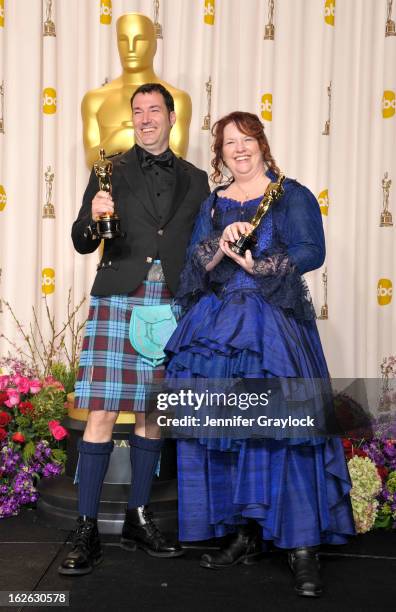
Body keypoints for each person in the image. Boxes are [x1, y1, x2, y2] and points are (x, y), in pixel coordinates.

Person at [165, 112, 355, 597]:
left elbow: (312, 250)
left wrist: (261, 262)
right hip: (219, 329)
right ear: (221, 152)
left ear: (261, 143)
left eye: (246, 139)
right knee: (227, 431)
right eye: (229, 143)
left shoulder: (292, 195)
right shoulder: (213, 204)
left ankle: (303, 548)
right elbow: (193, 263)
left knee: (287, 433)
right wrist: (219, 245)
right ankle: (245, 534)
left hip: (273, 327)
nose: (239, 149)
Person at [58, 83, 209, 576]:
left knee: (152, 413)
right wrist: (93, 218)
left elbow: (200, 245)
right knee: (101, 409)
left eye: (154, 110)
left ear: (171, 117)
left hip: (172, 303)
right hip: (119, 294)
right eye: (138, 111)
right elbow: (83, 239)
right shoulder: (110, 170)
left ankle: (139, 519)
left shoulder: (197, 178)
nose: (146, 118)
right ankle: (85, 528)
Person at [82, 13, 191, 167]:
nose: (131, 48)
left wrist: (129, 140)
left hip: (159, 189)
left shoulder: (178, 99)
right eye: (123, 40)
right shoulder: (95, 100)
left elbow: (178, 159)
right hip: (110, 190)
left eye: (139, 40)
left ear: (154, 45)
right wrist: (120, 138)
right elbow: (90, 161)